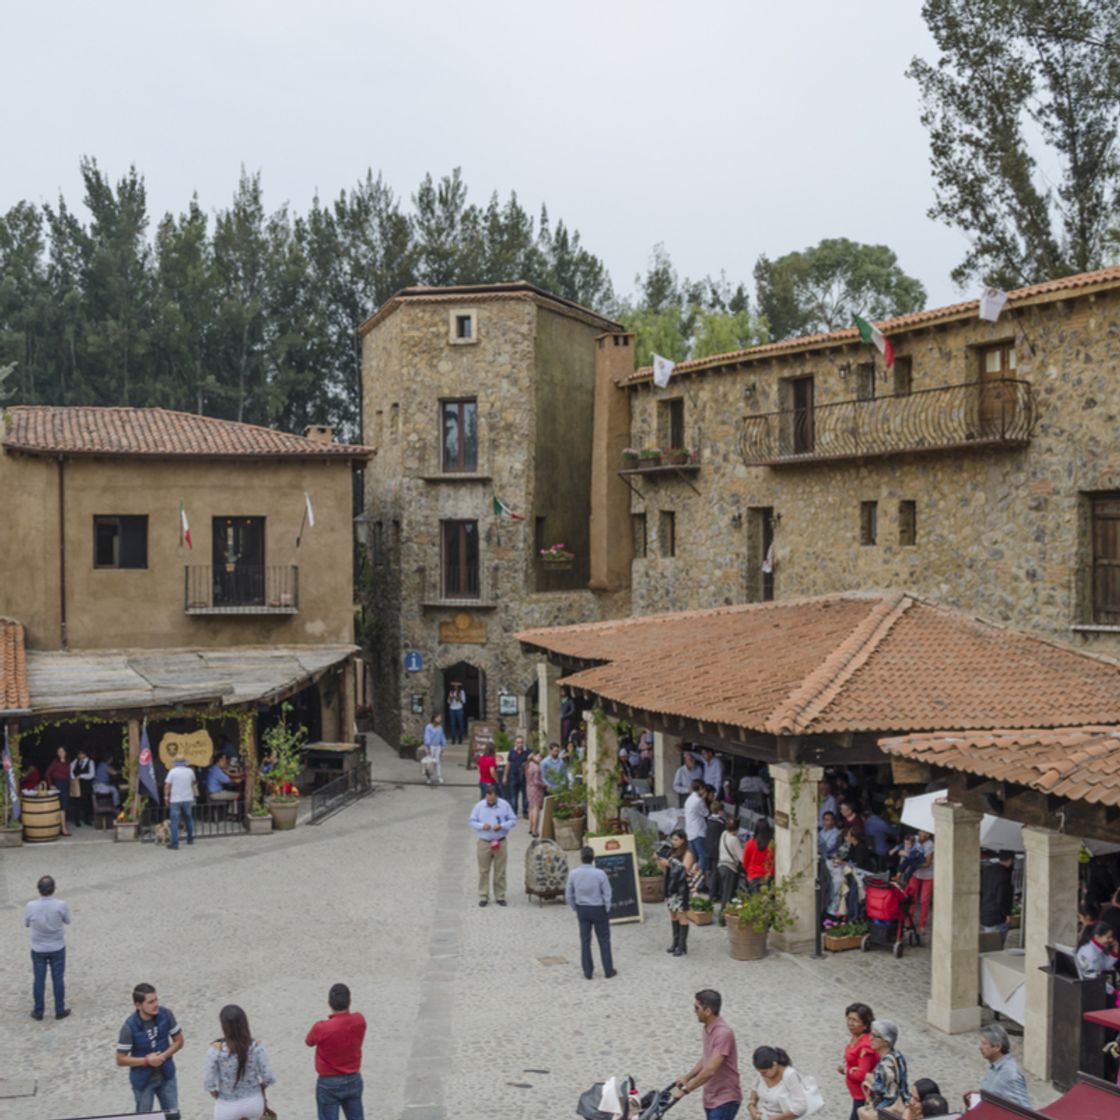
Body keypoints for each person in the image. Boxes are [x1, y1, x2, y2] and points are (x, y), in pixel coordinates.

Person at [116, 982, 184, 1116]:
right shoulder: (129, 1027)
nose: (156, 1004)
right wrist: (147, 1061)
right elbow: (120, 1059)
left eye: (156, 1000)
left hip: (166, 1075)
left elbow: (179, 1041)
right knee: (144, 1117)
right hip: (143, 1081)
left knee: (173, 1116)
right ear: (138, 1005)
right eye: (151, 1002)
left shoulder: (166, 1014)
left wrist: (162, 1057)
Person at [672, 989, 742, 1119]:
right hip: (711, 1097)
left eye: (697, 1008)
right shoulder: (707, 1028)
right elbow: (706, 1058)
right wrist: (687, 1077)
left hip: (725, 1099)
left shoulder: (723, 1033)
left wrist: (686, 1090)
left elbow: (710, 1069)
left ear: (708, 1011)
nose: (694, 1011)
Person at [203, 1004, 276, 1120]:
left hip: (227, 1105)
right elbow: (268, 1077)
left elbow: (208, 1082)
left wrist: (216, 1095)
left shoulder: (216, 1050)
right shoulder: (256, 1047)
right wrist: (260, 1088)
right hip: (254, 1102)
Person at [305, 982, 366, 1120]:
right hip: (353, 1078)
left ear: (329, 1003)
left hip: (328, 1082)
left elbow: (309, 1041)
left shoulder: (322, 1028)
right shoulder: (359, 1020)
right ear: (349, 1001)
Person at [566, 845, 616, 979]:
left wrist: (575, 907)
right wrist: (607, 908)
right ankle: (608, 969)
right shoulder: (600, 873)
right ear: (593, 858)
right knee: (604, 940)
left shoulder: (573, 874)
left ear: (581, 858)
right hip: (598, 908)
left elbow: (569, 895)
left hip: (582, 908)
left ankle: (588, 971)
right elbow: (607, 893)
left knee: (585, 941)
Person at [25, 875, 71, 1021]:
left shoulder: (30, 906)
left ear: (39, 890)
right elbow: (68, 920)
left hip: (38, 948)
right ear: (53, 889)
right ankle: (59, 1009)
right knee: (58, 978)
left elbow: (26, 923)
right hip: (57, 946)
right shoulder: (61, 905)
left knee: (38, 979)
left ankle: (38, 1011)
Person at [469, 784, 517, 906]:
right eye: (488, 799)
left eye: (493, 800)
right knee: (484, 870)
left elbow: (513, 820)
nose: (490, 801)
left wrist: (502, 826)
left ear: (497, 797)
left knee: (500, 870)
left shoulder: (504, 805)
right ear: (485, 796)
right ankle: (483, 895)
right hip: (484, 842)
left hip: (500, 841)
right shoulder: (479, 806)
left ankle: (500, 895)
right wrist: (481, 826)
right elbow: (471, 821)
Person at [965, 1024, 1030, 1110]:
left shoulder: (1011, 1073)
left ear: (997, 1047)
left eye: (984, 1043)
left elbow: (1026, 1111)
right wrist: (980, 1094)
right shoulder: (995, 1066)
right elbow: (997, 1093)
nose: (980, 1047)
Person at [838, 1002, 878, 1120]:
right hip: (857, 1095)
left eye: (855, 1020)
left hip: (864, 1096)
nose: (850, 1023)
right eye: (849, 1019)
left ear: (865, 1024)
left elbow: (861, 1074)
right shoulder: (856, 1036)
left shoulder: (866, 1045)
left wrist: (846, 1070)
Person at [860, 1020, 907, 1118]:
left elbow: (889, 1093)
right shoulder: (898, 1055)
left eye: (875, 1036)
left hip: (886, 1111)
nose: (870, 1038)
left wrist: (871, 1079)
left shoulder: (885, 1064)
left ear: (886, 1041)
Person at [748, 1045, 808, 1119]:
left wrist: (775, 1118)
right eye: (759, 1072)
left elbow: (801, 1106)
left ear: (774, 1065)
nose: (762, 1075)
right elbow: (755, 1089)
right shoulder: (763, 1072)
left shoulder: (790, 1075)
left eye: (764, 1072)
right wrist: (751, 1106)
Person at [660, 833, 692, 957]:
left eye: (676, 839)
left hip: (681, 888)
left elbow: (684, 870)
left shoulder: (688, 853)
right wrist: (659, 861)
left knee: (681, 915)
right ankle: (675, 943)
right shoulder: (671, 852)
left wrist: (668, 863)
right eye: (672, 839)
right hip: (671, 886)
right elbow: (665, 870)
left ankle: (682, 945)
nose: (673, 842)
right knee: (673, 915)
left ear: (683, 840)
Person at [980, 851, 1016, 945]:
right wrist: (1007, 914)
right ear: (1010, 860)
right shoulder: (1004, 876)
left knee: (989, 942)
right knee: (996, 944)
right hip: (997, 916)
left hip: (985, 911)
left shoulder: (988, 870)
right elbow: (1001, 898)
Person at [716, 817, 744, 923]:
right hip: (730, 868)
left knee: (725, 892)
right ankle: (722, 918)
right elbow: (741, 858)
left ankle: (726, 916)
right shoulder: (734, 839)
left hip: (721, 866)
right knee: (728, 894)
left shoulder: (724, 834)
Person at [164, 757, 196, 850]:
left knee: (174, 821)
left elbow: (167, 785)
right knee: (188, 819)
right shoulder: (190, 771)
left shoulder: (172, 772)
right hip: (187, 798)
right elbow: (194, 781)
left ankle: (175, 844)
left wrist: (166, 797)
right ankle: (190, 839)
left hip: (175, 799)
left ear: (175, 763)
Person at [905, 831, 934, 932]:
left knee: (924, 900)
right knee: (911, 896)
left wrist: (913, 862)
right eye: (920, 833)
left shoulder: (930, 845)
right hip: (915, 873)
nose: (921, 836)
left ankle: (922, 925)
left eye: (924, 834)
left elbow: (927, 863)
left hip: (928, 874)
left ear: (928, 835)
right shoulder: (914, 839)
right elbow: (905, 850)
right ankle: (909, 922)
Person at [45, 747, 73, 835]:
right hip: (59, 785)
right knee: (62, 807)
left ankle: (62, 827)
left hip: (67, 785)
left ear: (66, 752)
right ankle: (63, 829)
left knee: (65, 806)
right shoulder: (55, 762)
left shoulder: (68, 762)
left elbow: (71, 774)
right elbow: (47, 773)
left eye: (62, 751)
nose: (61, 753)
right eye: (59, 751)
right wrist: (51, 785)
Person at [685, 779, 709, 874]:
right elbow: (706, 813)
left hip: (690, 831)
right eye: (703, 788)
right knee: (702, 856)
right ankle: (700, 880)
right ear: (700, 788)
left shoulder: (689, 799)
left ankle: (693, 878)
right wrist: (704, 799)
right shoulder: (698, 801)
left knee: (694, 856)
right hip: (698, 832)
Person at [742, 821, 775, 893]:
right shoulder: (771, 845)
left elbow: (745, 862)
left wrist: (749, 873)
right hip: (768, 876)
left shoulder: (750, 843)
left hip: (754, 876)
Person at [863, 802, 895, 872]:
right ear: (883, 812)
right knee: (882, 870)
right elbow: (893, 831)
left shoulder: (868, 820)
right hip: (881, 850)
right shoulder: (882, 823)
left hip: (871, 847)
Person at [505, 734, 530, 816]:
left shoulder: (528, 751)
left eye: (521, 742)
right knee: (513, 795)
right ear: (515, 743)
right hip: (514, 775)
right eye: (518, 742)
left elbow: (532, 762)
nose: (520, 744)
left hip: (524, 776)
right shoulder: (512, 751)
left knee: (525, 795)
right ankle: (514, 812)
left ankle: (525, 811)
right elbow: (508, 763)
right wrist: (505, 776)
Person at [71, 747, 95, 827]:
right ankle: (77, 820)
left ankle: (87, 819)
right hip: (77, 785)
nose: (79, 756)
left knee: (87, 803)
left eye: (81, 754)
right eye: (78, 754)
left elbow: (92, 774)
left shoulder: (91, 762)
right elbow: (70, 769)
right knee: (76, 802)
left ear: (85, 754)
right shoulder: (75, 761)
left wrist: (81, 776)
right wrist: (73, 777)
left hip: (86, 785)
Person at [422, 714, 446, 785]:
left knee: (438, 761)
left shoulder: (440, 727)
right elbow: (427, 736)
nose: (439, 719)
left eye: (440, 718)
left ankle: (439, 776)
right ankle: (428, 778)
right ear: (434, 718)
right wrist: (428, 747)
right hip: (430, 746)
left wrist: (443, 746)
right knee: (429, 763)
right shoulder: (428, 727)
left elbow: (442, 736)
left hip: (437, 746)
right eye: (438, 718)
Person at [526, 749, 545, 836]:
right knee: (536, 809)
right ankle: (535, 830)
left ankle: (530, 828)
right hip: (536, 789)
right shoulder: (536, 768)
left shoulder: (528, 765)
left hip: (529, 787)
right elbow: (537, 781)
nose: (540, 758)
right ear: (534, 756)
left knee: (531, 808)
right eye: (539, 756)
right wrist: (544, 785)